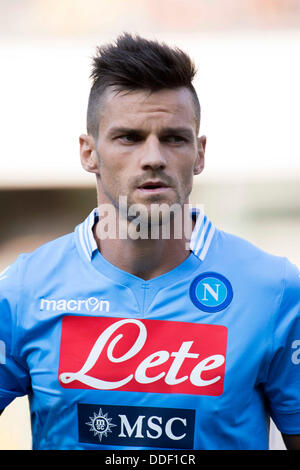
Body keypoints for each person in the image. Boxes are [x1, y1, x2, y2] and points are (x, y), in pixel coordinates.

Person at [0, 33, 299, 451]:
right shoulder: (23, 290)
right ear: (89, 153)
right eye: (129, 137)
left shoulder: (276, 290)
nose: (153, 156)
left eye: (174, 138)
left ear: (199, 152)